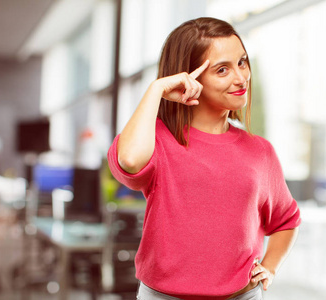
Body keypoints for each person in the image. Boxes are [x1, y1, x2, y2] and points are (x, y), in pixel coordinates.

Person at [108, 17, 301, 300]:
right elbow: (130, 161)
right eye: (222, 69)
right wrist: (157, 89)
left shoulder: (260, 152)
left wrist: (270, 267)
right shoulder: (158, 139)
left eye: (242, 62)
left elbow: (287, 220)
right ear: (190, 77)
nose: (240, 77)